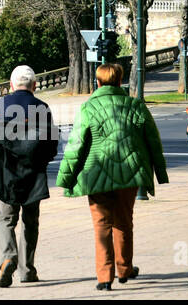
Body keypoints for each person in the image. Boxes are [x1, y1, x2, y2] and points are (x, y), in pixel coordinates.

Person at [56, 63, 169, 292]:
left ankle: (104, 276)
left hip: (96, 172)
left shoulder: (88, 108)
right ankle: (124, 269)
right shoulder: (136, 105)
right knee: (124, 222)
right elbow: (153, 142)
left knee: (101, 225)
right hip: (130, 172)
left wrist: (66, 179)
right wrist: (160, 173)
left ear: (97, 83)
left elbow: (76, 146)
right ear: (120, 81)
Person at [0, 65, 59, 288]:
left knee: (6, 219)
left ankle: (8, 257)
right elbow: (51, 144)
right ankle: (27, 270)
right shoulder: (42, 108)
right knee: (30, 222)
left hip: (7, 173)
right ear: (34, 85)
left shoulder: (0, 106)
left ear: (11, 85)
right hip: (33, 174)